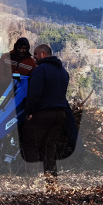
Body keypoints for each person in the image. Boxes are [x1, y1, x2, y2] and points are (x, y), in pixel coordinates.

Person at [22, 43, 69, 174]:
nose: (34, 57)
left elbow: (34, 93)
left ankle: (32, 175)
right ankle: (49, 173)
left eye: (35, 54)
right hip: (60, 114)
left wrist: (29, 111)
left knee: (30, 143)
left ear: (43, 54)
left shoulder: (41, 70)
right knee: (49, 146)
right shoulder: (63, 72)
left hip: (43, 113)